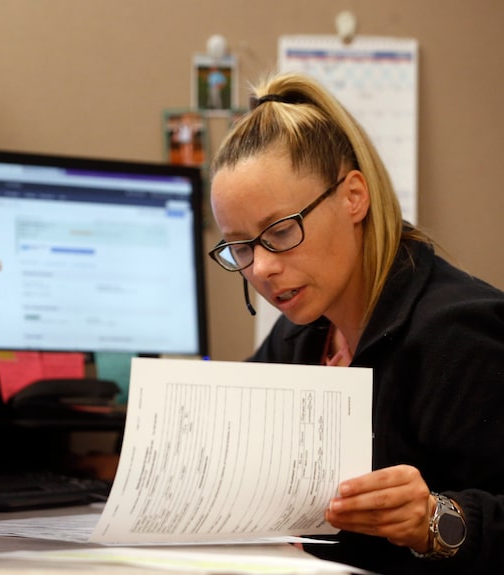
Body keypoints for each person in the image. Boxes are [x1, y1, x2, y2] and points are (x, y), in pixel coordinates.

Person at [207, 71, 504, 574]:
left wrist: (436, 519)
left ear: (353, 197)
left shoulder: (459, 333)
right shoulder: (303, 332)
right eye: (240, 247)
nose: (261, 268)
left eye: (279, 231)